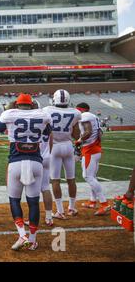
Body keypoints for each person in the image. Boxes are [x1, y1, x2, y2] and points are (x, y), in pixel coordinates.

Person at [0, 94, 52, 251]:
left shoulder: (9, 114)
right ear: (32, 104)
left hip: (16, 162)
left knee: (14, 200)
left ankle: (22, 234)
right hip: (35, 162)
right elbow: (47, 131)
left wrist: (9, 108)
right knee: (33, 202)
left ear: (16, 104)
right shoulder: (42, 114)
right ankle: (32, 240)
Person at [42, 90, 81, 219]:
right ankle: (72, 207)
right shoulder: (75, 113)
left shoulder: (47, 109)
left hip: (54, 146)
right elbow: (76, 136)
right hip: (68, 146)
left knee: (55, 180)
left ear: (54, 99)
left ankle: (60, 210)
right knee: (71, 179)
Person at [75, 103, 110, 215]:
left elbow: (88, 131)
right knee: (93, 176)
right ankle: (92, 201)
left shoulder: (85, 116)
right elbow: (100, 133)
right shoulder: (93, 116)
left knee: (88, 176)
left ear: (81, 110)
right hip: (95, 149)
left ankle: (104, 204)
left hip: (90, 150)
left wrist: (80, 140)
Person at [33, 100, 54, 226]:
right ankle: (49, 217)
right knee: (45, 187)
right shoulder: (45, 118)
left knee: (33, 190)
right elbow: (51, 138)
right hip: (46, 156)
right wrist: (48, 153)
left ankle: (33, 218)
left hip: (35, 157)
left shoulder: (31, 119)